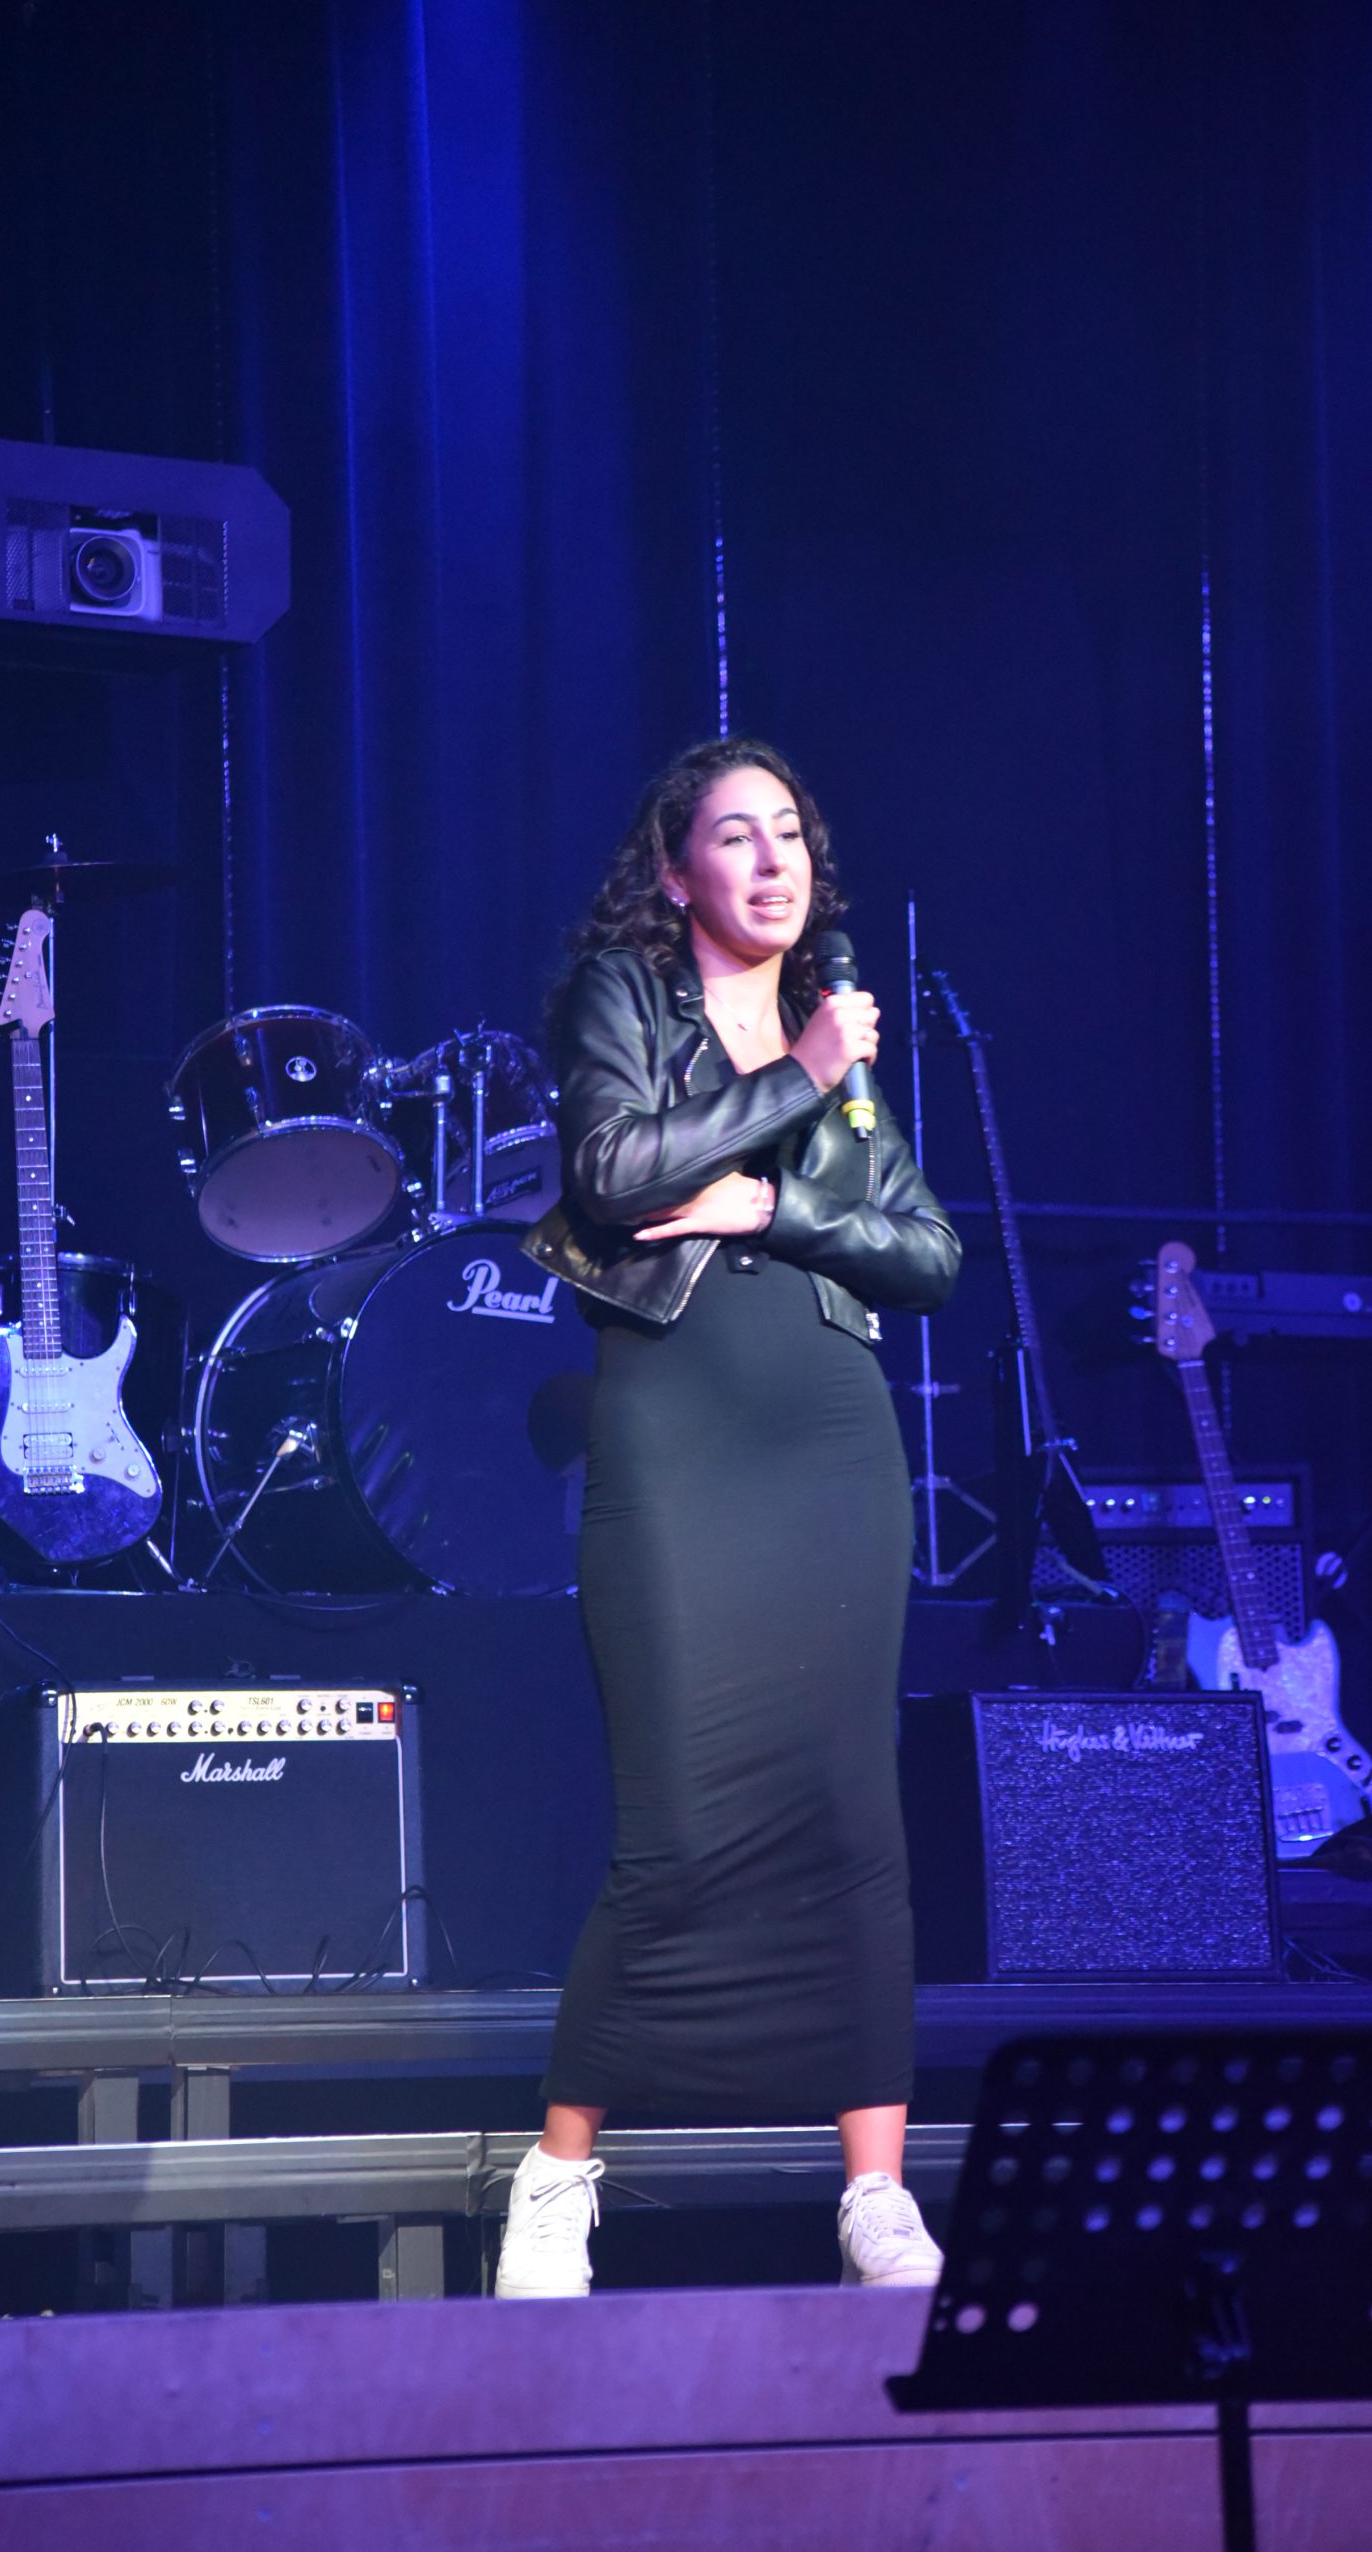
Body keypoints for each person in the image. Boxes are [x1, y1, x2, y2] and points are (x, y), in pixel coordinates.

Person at [500, 735, 961, 2297]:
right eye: (737, 837)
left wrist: (781, 1200)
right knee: (677, 1830)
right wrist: (799, 1079)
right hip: (680, 1432)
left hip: (833, 1440)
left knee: (853, 1819)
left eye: (792, 837)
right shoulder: (625, 999)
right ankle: (559, 2176)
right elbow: (612, 1170)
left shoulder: (837, 1030)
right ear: (676, 869)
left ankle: (876, 2196)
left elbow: (927, 1254)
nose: (774, 862)